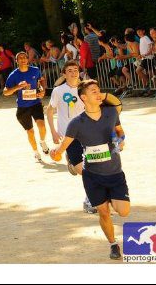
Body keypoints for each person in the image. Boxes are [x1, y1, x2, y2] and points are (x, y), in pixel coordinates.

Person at [50, 80, 130, 260]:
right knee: (103, 211)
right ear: (84, 98)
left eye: (99, 90)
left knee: (124, 211)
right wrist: (56, 154)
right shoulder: (76, 123)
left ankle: (109, 197)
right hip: (92, 175)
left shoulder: (110, 112)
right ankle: (113, 244)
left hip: (115, 172)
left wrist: (121, 139)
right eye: (93, 91)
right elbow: (62, 148)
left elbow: (119, 130)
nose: (98, 93)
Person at [46, 61, 97, 214]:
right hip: (69, 136)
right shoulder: (58, 91)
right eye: (70, 70)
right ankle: (71, 161)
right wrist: (53, 132)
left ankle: (90, 200)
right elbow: (49, 111)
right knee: (83, 170)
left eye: (76, 70)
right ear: (64, 74)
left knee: (92, 168)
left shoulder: (86, 88)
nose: (74, 73)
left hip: (87, 133)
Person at [3, 52, 48, 163]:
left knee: (42, 127)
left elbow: (42, 80)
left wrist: (42, 90)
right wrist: (17, 87)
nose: (23, 59)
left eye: (25, 57)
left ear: (28, 60)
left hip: (36, 103)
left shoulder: (35, 70)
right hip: (23, 107)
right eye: (20, 58)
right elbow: (5, 92)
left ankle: (42, 141)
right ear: (16, 61)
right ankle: (36, 152)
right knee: (30, 132)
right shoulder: (13, 75)